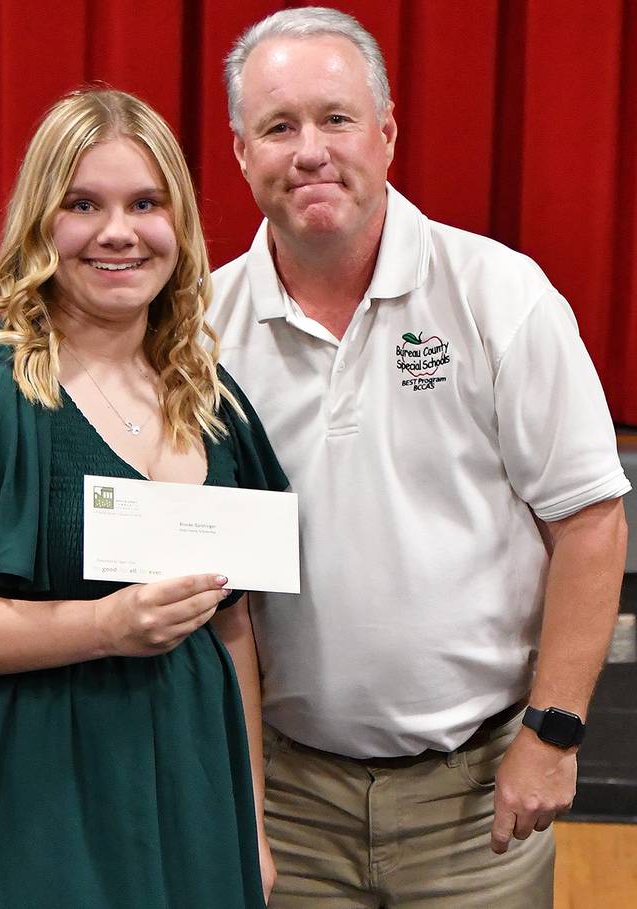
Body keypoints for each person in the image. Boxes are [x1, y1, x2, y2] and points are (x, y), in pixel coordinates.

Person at [208, 7, 630, 907]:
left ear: (388, 134)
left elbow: (590, 522)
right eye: (278, 127)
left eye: (336, 118)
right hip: (285, 800)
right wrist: (237, 801)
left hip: (478, 801)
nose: (310, 150)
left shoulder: (499, 294)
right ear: (241, 152)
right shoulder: (201, 331)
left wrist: (552, 734)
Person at [0, 88, 283, 908]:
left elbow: (233, 630)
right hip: (19, 808)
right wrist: (103, 626)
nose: (118, 230)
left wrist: (247, 817)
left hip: (186, 798)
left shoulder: (212, 400)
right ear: (41, 223)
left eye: (145, 203)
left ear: (179, 224)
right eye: (84, 203)